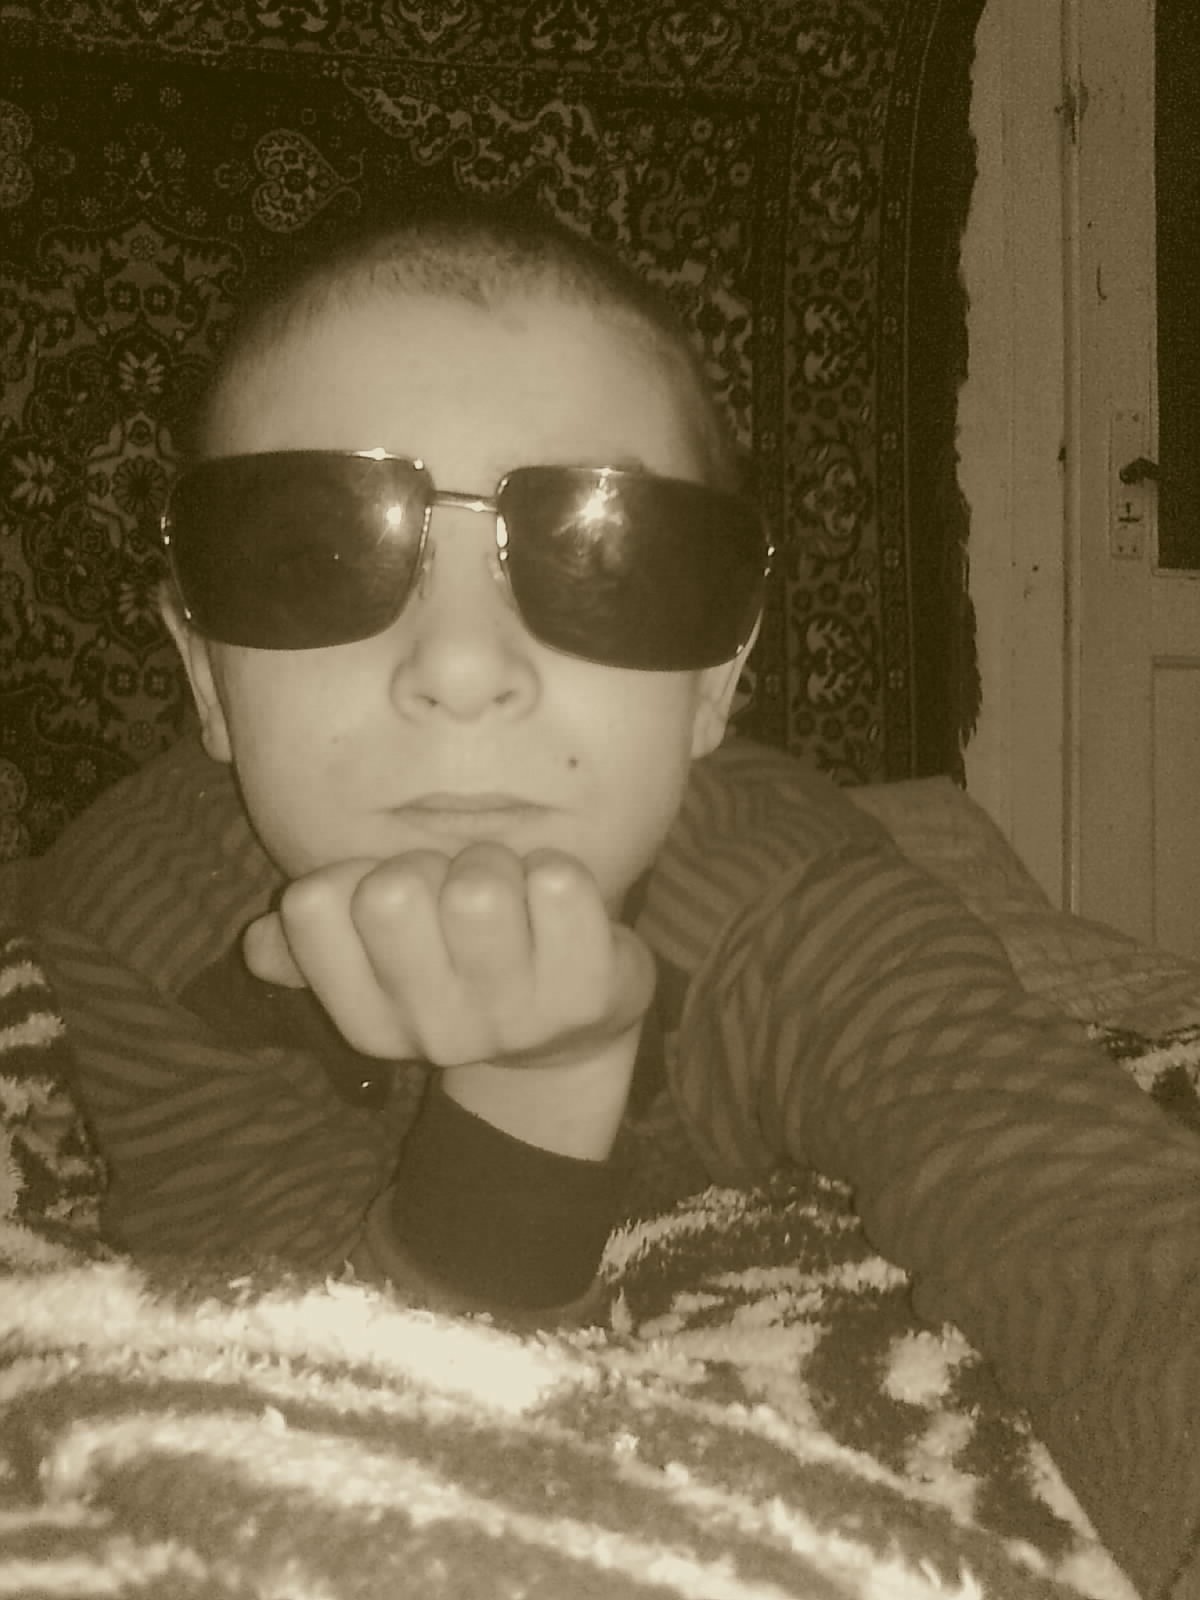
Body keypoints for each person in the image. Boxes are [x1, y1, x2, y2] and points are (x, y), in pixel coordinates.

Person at [15, 202, 1200, 1597]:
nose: (462, 670)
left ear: (715, 681)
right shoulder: (141, 922)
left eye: (602, 555)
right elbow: (331, 1416)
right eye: (313, 552)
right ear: (206, 678)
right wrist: (534, 1092)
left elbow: (1091, 1233)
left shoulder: (797, 911)